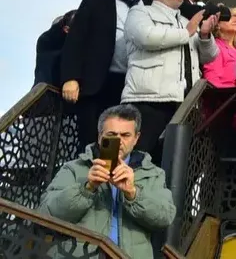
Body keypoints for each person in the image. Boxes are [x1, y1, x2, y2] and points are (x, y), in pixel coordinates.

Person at [40, 104, 175, 259]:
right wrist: (86, 189)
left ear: (136, 138)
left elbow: (165, 217)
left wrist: (133, 193)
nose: (118, 141)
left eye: (125, 135)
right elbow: (46, 213)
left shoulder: (153, 173)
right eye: (112, 134)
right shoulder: (74, 168)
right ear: (100, 137)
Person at [122, 0, 219, 163]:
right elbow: (146, 37)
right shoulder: (141, 12)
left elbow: (209, 56)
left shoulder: (186, 22)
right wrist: (187, 32)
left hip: (184, 103)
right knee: (140, 160)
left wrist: (205, 35)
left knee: (179, 163)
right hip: (149, 99)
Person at [61, 0, 152, 149]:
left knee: (124, 142)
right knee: (93, 141)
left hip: (133, 86)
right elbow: (75, 42)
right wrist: (70, 78)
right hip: (98, 83)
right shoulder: (95, 0)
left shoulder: (150, 4)